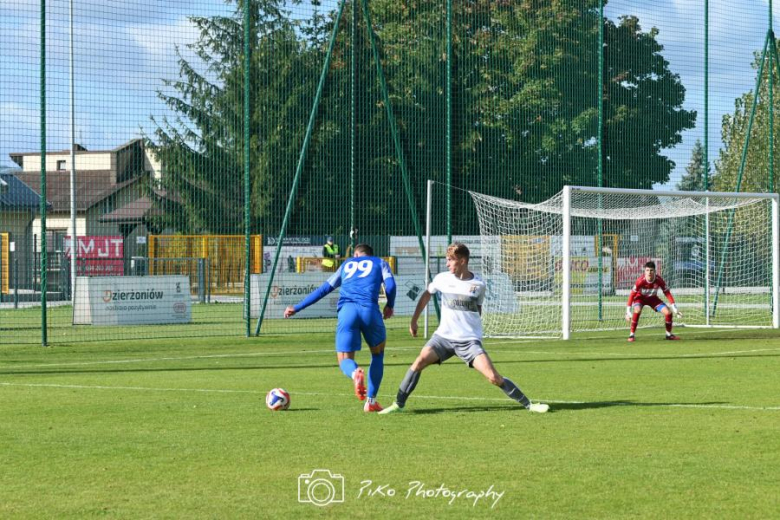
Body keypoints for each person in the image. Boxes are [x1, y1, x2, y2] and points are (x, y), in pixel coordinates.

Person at [379, 243, 549, 415]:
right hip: (443, 338)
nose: (447, 264)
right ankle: (398, 404)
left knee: (493, 377)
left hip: (468, 341)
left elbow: (478, 310)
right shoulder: (442, 279)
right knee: (419, 362)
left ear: (462, 260)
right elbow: (426, 295)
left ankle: (529, 405)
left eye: (450, 260)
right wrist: (414, 321)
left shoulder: (478, 285)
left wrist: (470, 329)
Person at [284, 244, 395, 412]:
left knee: (344, 359)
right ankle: (371, 402)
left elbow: (324, 290)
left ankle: (354, 373)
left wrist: (297, 307)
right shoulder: (380, 262)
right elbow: (391, 286)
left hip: (347, 312)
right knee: (378, 354)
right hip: (369, 311)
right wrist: (389, 305)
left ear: (356, 254)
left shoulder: (346, 265)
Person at [625, 261, 683, 342]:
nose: (649, 272)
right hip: (640, 298)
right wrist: (627, 311)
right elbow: (632, 295)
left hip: (653, 299)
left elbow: (667, 293)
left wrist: (674, 308)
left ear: (655, 271)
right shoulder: (640, 281)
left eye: (651, 270)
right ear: (644, 271)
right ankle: (631, 335)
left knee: (668, 312)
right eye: (647, 270)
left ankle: (669, 335)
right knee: (637, 310)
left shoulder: (659, 280)